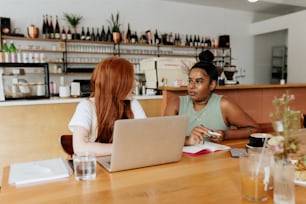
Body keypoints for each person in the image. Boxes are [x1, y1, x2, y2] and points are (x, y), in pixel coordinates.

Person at [164, 50, 260, 145]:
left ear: (212, 85)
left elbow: (254, 129)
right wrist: (187, 140)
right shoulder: (175, 104)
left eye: (198, 81)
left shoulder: (224, 104)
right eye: (190, 81)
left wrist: (225, 134)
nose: (191, 86)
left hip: (216, 159)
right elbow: (164, 137)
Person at [68, 57, 146, 156]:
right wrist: (122, 148)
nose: (135, 84)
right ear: (116, 83)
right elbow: (80, 148)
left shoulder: (133, 104)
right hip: (98, 167)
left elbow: (145, 137)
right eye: (130, 79)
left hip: (127, 161)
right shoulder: (86, 107)